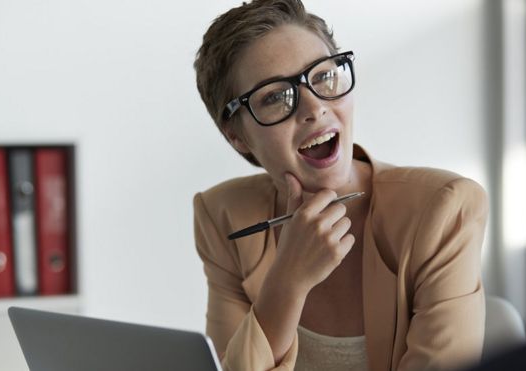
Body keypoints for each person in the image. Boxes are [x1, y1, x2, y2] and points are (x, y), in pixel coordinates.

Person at [192, 1, 489, 370]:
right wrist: (287, 282)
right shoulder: (224, 217)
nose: (314, 108)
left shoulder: (444, 210)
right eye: (274, 96)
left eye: (323, 76)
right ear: (236, 136)